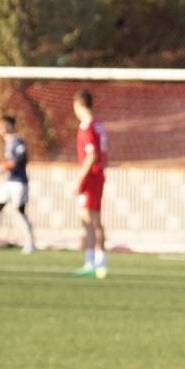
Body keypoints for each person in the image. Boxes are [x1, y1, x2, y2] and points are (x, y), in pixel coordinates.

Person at [0, 114, 36, 254]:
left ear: (12, 126)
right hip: (9, 182)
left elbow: (20, 159)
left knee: (19, 212)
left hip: (19, 183)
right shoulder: (8, 142)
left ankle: (30, 243)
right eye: (1, 126)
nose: (2, 129)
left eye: (5, 125)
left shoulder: (18, 141)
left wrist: (3, 167)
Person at [71, 89, 109, 278]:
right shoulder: (99, 125)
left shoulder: (86, 127)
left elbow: (92, 154)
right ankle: (100, 263)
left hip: (91, 176)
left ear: (78, 105)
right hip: (99, 175)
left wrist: (79, 179)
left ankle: (91, 262)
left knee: (88, 220)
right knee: (95, 220)